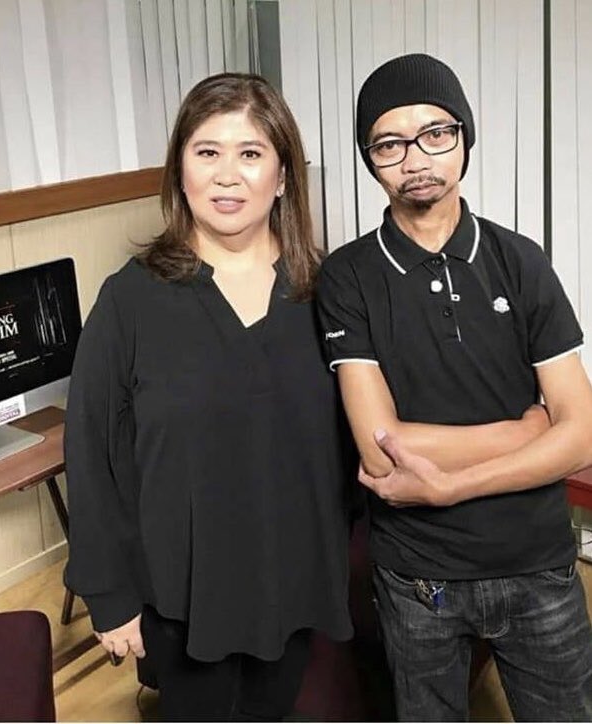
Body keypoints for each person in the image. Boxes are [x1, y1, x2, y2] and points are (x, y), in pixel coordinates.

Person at [64, 72, 356, 722]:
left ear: (282, 175)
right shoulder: (130, 300)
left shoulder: (328, 292)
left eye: (250, 153)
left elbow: (355, 441)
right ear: (180, 170)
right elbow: (90, 453)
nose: (227, 175)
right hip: (181, 598)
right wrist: (109, 596)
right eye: (207, 152)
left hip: (293, 584)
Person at [317, 53, 592, 721]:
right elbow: (381, 447)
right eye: (390, 143)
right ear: (370, 158)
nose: (415, 158)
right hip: (419, 577)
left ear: (464, 137)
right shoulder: (347, 277)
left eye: (435, 134)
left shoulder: (519, 260)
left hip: (538, 564)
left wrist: (449, 484)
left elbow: (581, 435)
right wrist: (524, 432)